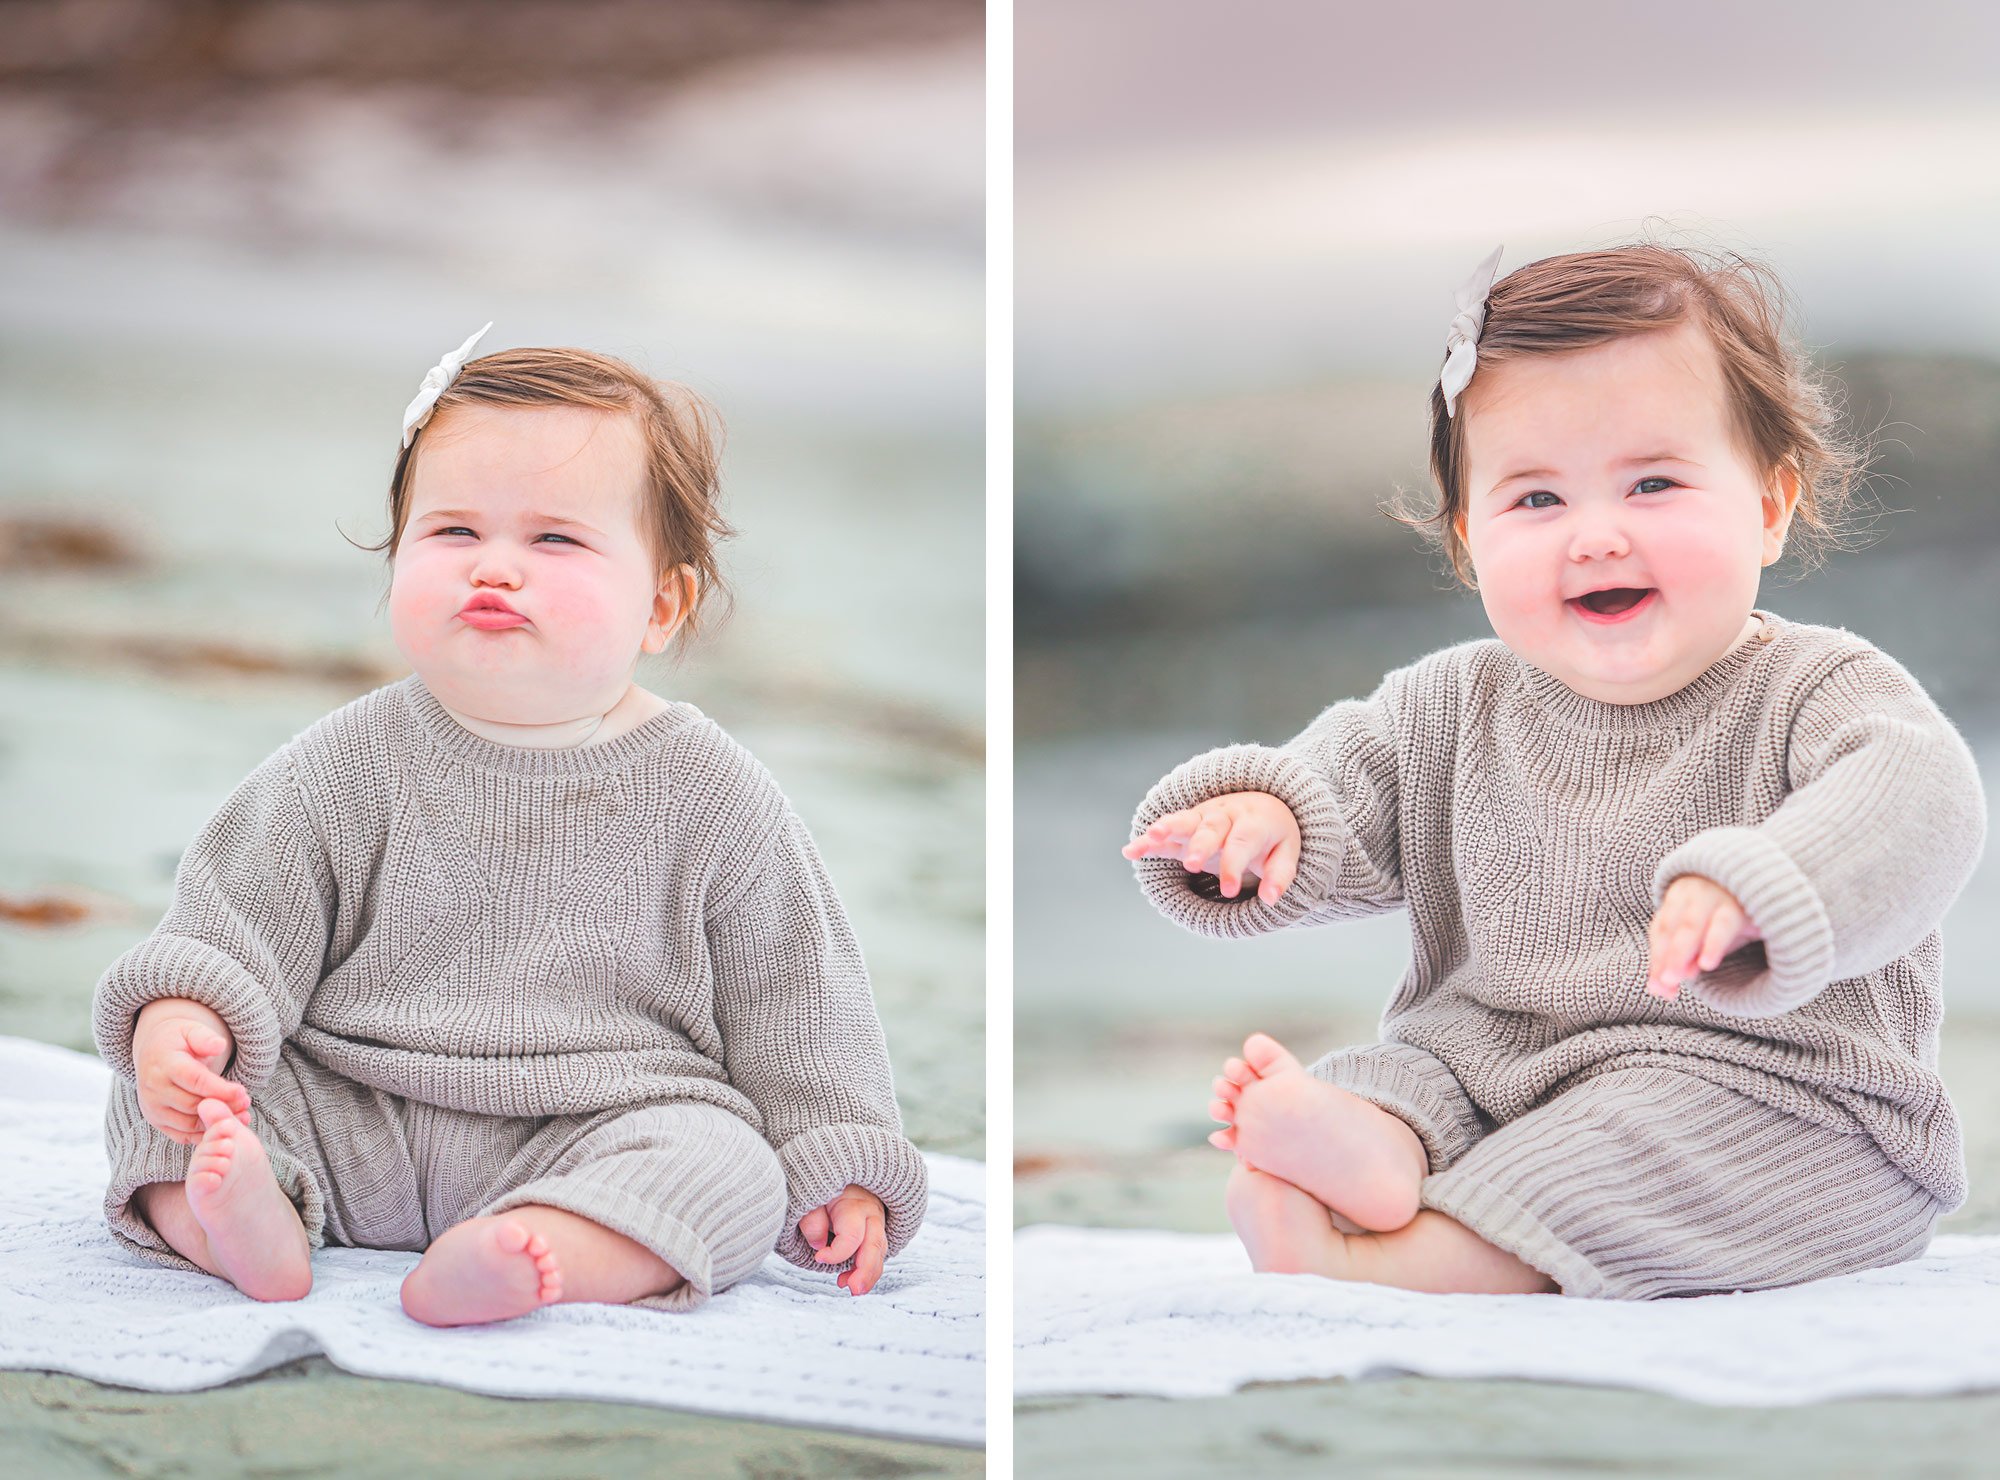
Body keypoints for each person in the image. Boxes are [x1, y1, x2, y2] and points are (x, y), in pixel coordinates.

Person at [1122, 244, 1987, 1299]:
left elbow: (1917, 802)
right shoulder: (1445, 704)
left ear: (1767, 506)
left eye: (1652, 482)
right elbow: (1337, 787)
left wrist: (1768, 880)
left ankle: (1382, 1257)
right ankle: (1371, 1155)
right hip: (1493, 1067)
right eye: (1535, 501)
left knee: (1627, 1147)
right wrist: (1261, 820)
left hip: (1778, 1098)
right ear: (1466, 543)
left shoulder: (1816, 690)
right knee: (1396, 1074)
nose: (1595, 535)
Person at [94, 329, 927, 1324]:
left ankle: (536, 1249)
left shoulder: (714, 792)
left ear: (660, 604)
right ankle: (241, 1220)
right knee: (160, 1109)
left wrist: (841, 1160)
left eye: (554, 539)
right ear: (396, 556)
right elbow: (231, 918)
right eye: (451, 532)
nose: (495, 568)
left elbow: (798, 998)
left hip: (594, 1122)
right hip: (353, 1107)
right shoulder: (347, 758)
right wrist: (183, 1027)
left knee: (727, 1167)